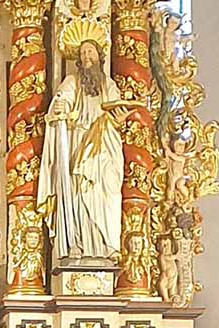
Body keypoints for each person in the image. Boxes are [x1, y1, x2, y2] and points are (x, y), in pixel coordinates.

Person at [37, 36, 127, 261]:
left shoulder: (109, 85)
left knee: (108, 190)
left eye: (91, 52)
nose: (87, 57)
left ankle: (108, 243)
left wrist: (120, 119)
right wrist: (60, 108)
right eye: (83, 53)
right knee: (79, 192)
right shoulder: (72, 82)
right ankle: (77, 242)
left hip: (105, 145)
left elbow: (117, 112)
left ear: (99, 57)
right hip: (79, 142)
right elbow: (61, 102)